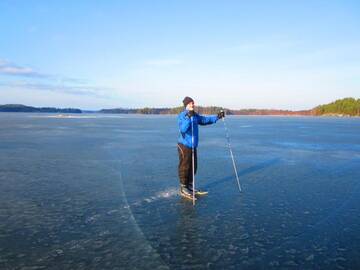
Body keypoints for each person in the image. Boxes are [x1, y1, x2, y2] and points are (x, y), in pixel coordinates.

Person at [177, 96, 225, 199]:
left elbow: (204, 120)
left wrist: (217, 117)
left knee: (193, 166)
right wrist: (189, 118)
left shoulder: (195, 115)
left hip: (193, 145)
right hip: (184, 145)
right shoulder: (182, 115)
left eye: (193, 103)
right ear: (186, 105)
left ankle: (189, 185)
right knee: (185, 166)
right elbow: (183, 129)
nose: (192, 105)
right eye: (190, 104)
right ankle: (183, 188)